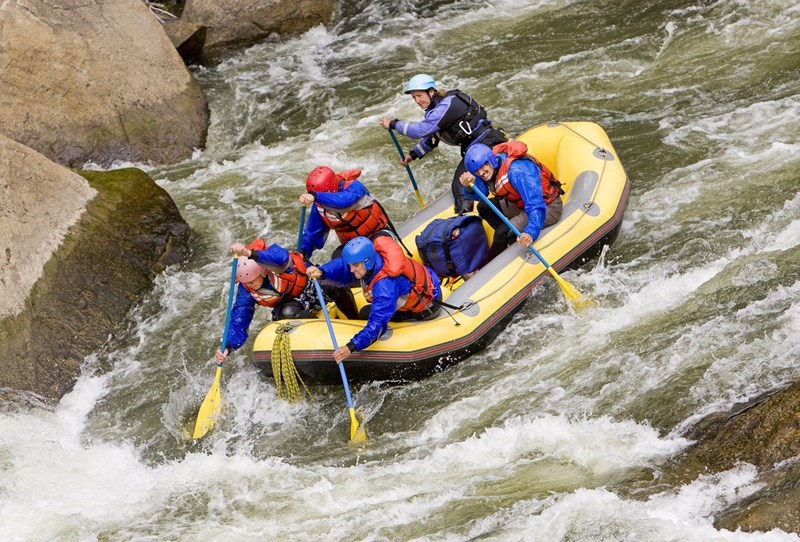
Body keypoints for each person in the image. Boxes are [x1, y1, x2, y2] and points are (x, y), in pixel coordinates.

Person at [380, 73, 508, 215]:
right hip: (476, 147)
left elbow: (420, 130)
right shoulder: (436, 110)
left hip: (486, 143)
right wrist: (413, 155)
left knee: (460, 186)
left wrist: (393, 124)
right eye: (414, 97)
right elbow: (433, 138)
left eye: (419, 96)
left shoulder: (448, 105)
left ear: (431, 92)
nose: (417, 101)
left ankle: (465, 219)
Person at [214, 239, 357, 364]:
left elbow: (282, 258)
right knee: (286, 312)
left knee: (332, 285)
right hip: (291, 306)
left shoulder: (274, 261)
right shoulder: (246, 289)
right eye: (246, 282)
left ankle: (355, 321)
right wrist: (227, 346)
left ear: (262, 271)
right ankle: (325, 340)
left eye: (252, 281)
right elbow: (240, 318)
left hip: (309, 287)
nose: (249, 285)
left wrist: (249, 253)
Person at [306, 235, 442, 363]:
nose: (352, 270)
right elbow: (343, 268)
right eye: (351, 265)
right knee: (365, 312)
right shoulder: (371, 260)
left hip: (426, 308)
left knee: (366, 314)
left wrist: (351, 347)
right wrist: (322, 272)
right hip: (426, 283)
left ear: (367, 261)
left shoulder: (384, 286)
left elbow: (377, 324)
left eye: (355, 266)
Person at [458, 141, 564, 259]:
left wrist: (531, 231)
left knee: (502, 232)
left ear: (491, 160)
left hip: (547, 207)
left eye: (483, 166)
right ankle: (512, 240)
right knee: (483, 207)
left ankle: (492, 266)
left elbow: (535, 203)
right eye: (476, 171)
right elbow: (481, 195)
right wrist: (469, 184)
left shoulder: (516, 171)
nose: (481, 173)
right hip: (521, 205)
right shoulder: (489, 169)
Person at [298, 166, 391, 260]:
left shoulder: (354, 187)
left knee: (386, 253)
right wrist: (303, 252)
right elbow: (313, 233)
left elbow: (345, 201)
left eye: (323, 193)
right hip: (353, 244)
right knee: (337, 260)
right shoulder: (319, 204)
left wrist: (316, 196)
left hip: (377, 233)